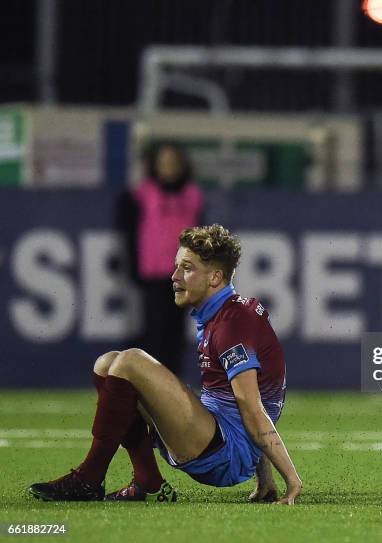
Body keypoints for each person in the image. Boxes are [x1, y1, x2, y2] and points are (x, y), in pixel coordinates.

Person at [29, 224, 302, 505]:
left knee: (130, 361)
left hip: (224, 452)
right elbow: (256, 398)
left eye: (186, 268)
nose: (174, 276)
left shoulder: (231, 325)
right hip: (220, 435)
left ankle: (89, 479)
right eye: (176, 266)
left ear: (215, 277)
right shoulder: (226, 313)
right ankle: (148, 481)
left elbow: (253, 408)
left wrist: (291, 482)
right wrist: (266, 483)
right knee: (107, 363)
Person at [117, 142, 204, 375]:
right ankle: (148, 381)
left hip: (183, 274)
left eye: (173, 163)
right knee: (154, 329)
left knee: (175, 333)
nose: (169, 168)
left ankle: (170, 383)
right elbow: (130, 232)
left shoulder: (192, 195)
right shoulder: (142, 194)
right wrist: (133, 265)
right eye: (164, 163)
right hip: (153, 273)